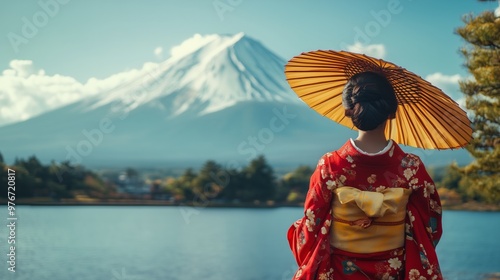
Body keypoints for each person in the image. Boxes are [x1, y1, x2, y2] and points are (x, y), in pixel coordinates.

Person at [287, 71, 443, 280]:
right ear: (393, 112)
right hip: (393, 271)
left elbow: (311, 227)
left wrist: (297, 229)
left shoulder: (330, 165)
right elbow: (429, 227)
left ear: (347, 111)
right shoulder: (412, 168)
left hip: (339, 272)